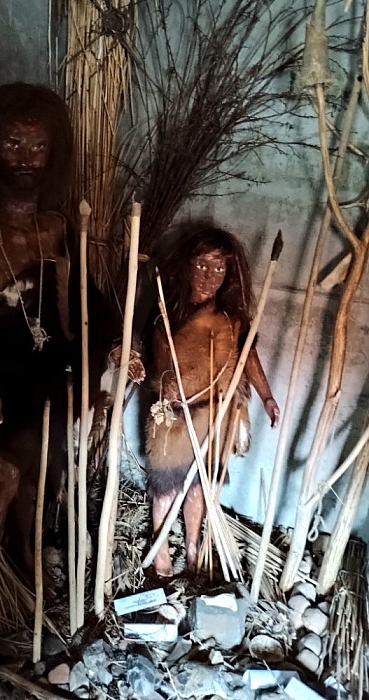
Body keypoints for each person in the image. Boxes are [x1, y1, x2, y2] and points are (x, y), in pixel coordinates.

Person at [0, 82, 83, 573]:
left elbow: (70, 305)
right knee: (1, 480)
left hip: (48, 372)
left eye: (39, 145)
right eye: (12, 144)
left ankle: (24, 558)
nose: (26, 158)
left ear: (53, 153)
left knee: (41, 474)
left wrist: (84, 366)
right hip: (2, 378)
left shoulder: (57, 227)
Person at [144, 221, 280, 578]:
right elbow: (158, 357)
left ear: (229, 273)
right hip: (173, 417)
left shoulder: (232, 320)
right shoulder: (167, 311)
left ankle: (193, 549)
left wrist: (266, 397)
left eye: (219, 268)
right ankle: (160, 554)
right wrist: (167, 386)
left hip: (215, 415)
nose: (209, 276)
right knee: (165, 487)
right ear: (187, 265)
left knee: (200, 487)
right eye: (202, 264)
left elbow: (247, 357)